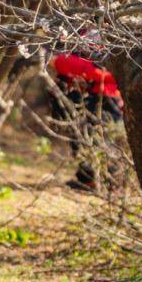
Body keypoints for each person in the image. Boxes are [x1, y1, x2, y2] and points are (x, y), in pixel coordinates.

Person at [48, 42, 123, 190]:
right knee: (84, 137)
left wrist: (94, 74)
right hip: (89, 94)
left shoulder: (111, 42)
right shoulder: (80, 38)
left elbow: (110, 74)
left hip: (106, 96)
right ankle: (89, 179)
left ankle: (104, 180)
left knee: (101, 139)